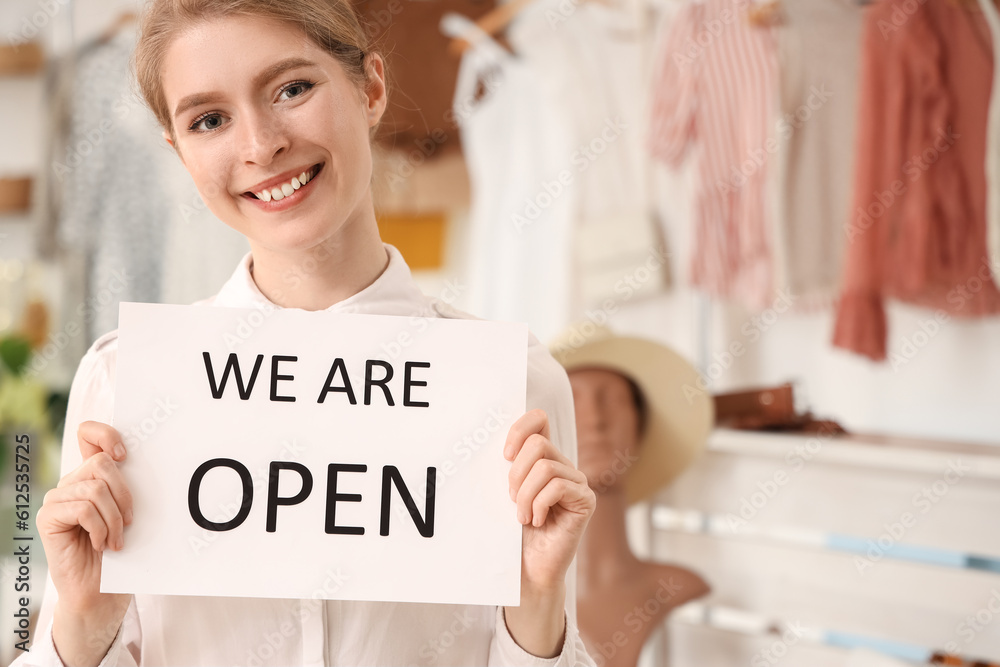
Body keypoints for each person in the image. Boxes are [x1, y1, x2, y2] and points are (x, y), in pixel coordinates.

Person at [10, 1, 598, 664]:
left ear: (370, 88)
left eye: (292, 89)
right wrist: (83, 625)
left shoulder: (516, 383)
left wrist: (539, 605)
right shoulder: (123, 381)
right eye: (210, 119)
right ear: (179, 151)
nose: (261, 146)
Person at [551, 327, 714, 667]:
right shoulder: (519, 604)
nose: (596, 421)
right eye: (573, 402)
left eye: (613, 400)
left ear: (641, 426)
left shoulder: (676, 587)